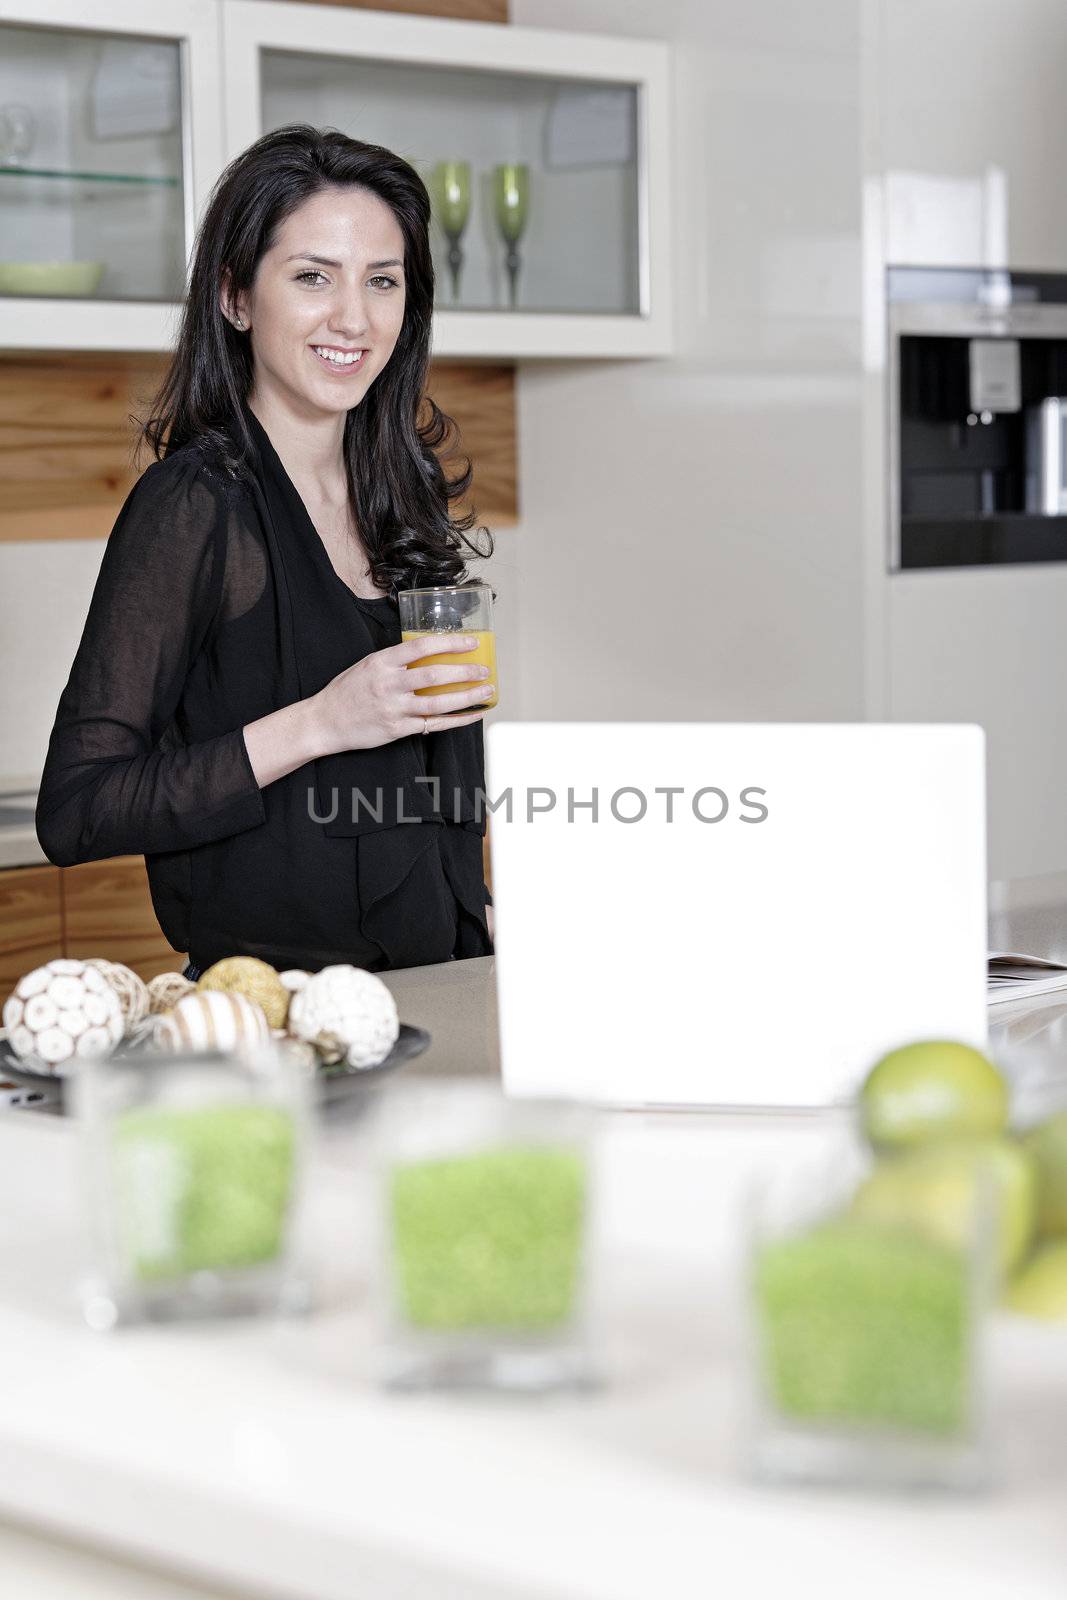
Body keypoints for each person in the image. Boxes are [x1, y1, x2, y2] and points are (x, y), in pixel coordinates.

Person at [35, 125, 496, 978]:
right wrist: (322, 722)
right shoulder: (195, 506)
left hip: (442, 989)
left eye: (382, 281)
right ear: (237, 298)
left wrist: (485, 918)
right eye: (313, 276)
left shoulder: (405, 492)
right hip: (276, 1015)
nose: (353, 318)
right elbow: (77, 810)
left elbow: (438, 785)